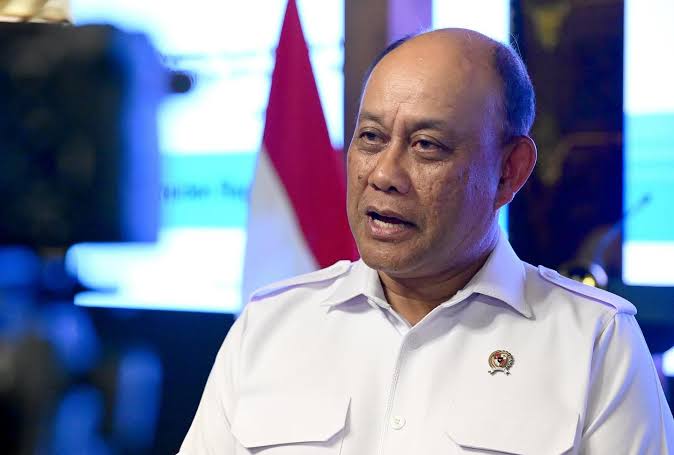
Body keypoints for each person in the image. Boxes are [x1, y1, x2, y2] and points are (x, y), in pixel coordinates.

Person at [179, 28, 674, 454]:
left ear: (509, 170)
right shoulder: (269, 326)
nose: (384, 174)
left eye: (426, 146)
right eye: (371, 137)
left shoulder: (595, 341)